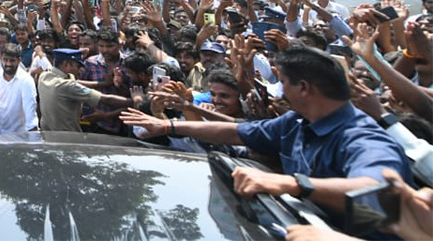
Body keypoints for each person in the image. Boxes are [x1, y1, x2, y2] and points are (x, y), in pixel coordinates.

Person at [121, 46, 413, 219]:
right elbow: (235, 132)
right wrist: (168, 125)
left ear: (304, 88)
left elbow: (382, 193)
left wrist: (290, 184)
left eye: (282, 82)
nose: (280, 90)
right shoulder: (295, 122)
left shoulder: (364, 138)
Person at [38, 49, 137, 132]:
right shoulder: (67, 86)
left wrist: (104, 83)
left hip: (48, 135)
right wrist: (135, 101)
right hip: (67, 138)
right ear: (66, 64)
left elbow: (77, 83)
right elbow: (106, 99)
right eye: (78, 66)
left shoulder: (45, 75)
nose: (80, 70)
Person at [0, 44, 38, 134]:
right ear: (0, 59)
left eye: (12, 61)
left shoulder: (26, 81)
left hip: (18, 138)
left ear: (19, 60)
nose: (8, 64)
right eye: (5, 60)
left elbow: (30, 114)